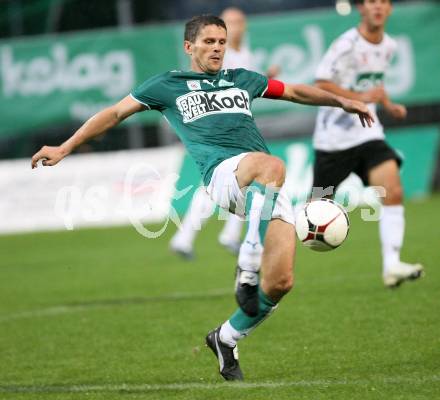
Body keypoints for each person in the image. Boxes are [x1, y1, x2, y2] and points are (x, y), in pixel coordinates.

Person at [31, 15, 373, 380]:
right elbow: (115, 113)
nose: (217, 49)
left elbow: (293, 91)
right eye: (208, 42)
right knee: (272, 165)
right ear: (188, 46)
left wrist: (341, 101)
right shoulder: (167, 85)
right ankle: (247, 260)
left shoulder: (242, 78)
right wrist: (66, 148)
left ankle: (225, 338)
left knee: (280, 283)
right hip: (224, 174)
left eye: (222, 42)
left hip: (262, 188)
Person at [311, 0, 423, 288]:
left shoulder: (389, 45)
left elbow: (373, 83)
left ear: (389, 10)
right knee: (314, 209)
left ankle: (392, 265)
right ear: (361, 8)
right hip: (333, 140)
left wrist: (387, 103)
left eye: (383, 2)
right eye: (371, 2)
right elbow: (321, 83)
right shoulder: (346, 44)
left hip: (368, 132)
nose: (377, 7)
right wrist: (355, 98)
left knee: (392, 189)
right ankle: (255, 255)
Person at [170, 7, 278, 259]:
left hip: (238, 128)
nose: (235, 27)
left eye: (239, 22)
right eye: (230, 22)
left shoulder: (245, 55)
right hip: (214, 129)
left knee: (244, 183)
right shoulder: (221, 56)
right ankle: (197, 236)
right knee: (227, 183)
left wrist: (266, 79)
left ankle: (211, 236)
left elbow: (245, 87)